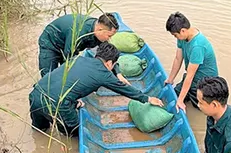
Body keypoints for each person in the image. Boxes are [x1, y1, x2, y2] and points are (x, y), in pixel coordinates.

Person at [29, 42, 164, 136]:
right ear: (109, 63)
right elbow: (125, 89)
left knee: (39, 131)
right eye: (114, 65)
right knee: (74, 132)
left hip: (35, 94)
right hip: (56, 105)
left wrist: (74, 103)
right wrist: (147, 98)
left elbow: (66, 84)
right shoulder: (103, 74)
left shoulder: (78, 59)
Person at [164, 12, 218, 111]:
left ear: (183, 30)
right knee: (174, 95)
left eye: (175, 35)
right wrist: (170, 79)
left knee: (199, 107)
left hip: (205, 83)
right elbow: (178, 59)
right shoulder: (183, 37)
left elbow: (190, 75)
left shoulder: (197, 46)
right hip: (193, 78)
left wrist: (180, 101)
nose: (175, 37)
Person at [37, 12, 119, 77]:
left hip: (67, 43)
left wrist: (118, 73)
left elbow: (109, 55)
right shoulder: (79, 33)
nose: (109, 39)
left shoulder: (99, 33)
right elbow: (69, 57)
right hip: (51, 43)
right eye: (109, 36)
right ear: (100, 30)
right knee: (49, 77)